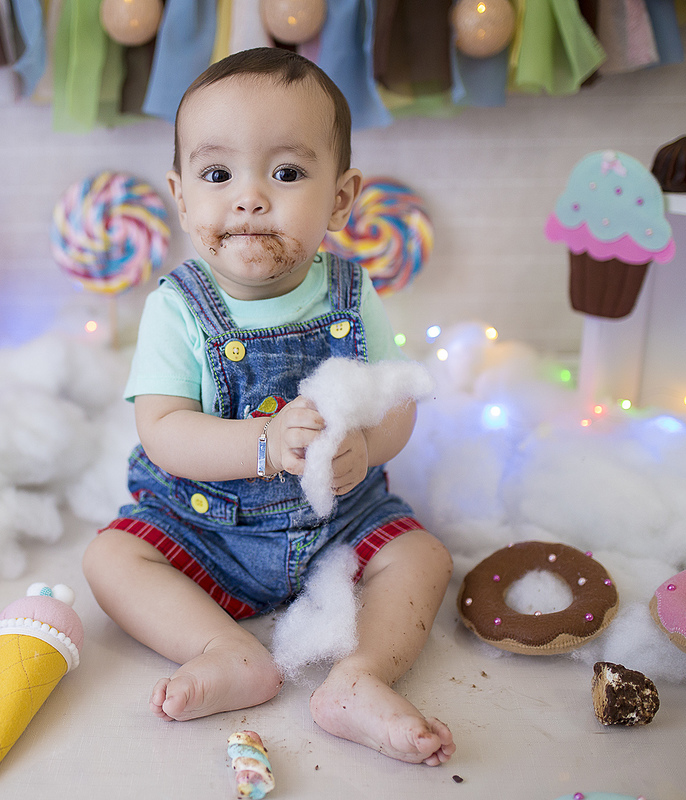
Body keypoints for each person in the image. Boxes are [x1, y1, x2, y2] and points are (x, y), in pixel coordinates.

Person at [82, 47, 455, 767]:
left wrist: (369, 447)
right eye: (218, 175)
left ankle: (360, 677)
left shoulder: (353, 293)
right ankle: (225, 649)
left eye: (285, 173)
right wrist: (262, 445)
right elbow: (163, 430)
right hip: (204, 528)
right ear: (181, 196)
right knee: (111, 558)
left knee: (422, 555)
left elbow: (396, 401)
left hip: (339, 522)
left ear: (340, 199)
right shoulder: (177, 309)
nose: (249, 198)